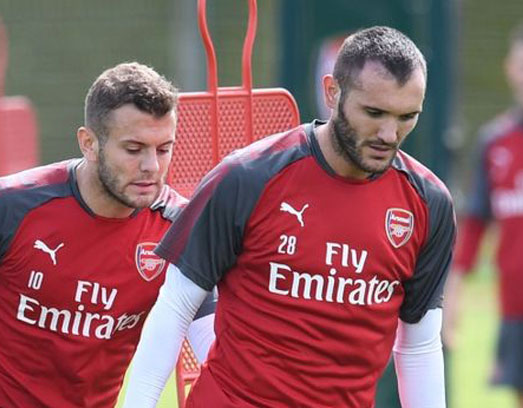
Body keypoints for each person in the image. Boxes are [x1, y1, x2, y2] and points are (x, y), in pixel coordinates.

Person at [122, 26, 456, 408]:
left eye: (406, 117)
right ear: (332, 92)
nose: (388, 133)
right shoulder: (248, 177)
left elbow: (418, 345)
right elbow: (175, 306)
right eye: (374, 112)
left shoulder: (428, 204)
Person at [0, 62, 216, 408]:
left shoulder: (178, 227)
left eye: (164, 149)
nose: (151, 166)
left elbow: (209, 336)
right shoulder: (9, 204)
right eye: (134, 150)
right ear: (89, 144)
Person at [443, 18, 523, 408]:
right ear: (510, 69)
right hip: (517, 306)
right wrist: (453, 297)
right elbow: (475, 227)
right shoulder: (495, 142)